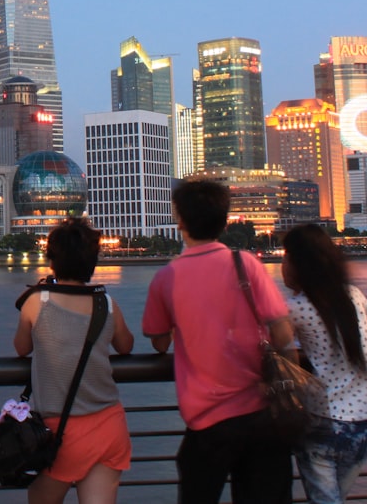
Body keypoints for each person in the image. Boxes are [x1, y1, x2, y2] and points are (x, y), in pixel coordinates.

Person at [141, 179, 296, 504]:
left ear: (179, 220)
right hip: (262, 417)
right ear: (224, 221)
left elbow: (157, 343)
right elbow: (282, 333)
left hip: (207, 424)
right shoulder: (247, 265)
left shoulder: (167, 278)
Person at [13, 218, 135, 504]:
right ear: (92, 262)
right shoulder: (106, 304)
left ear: (52, 261)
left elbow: (21, 348)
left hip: (61, 431)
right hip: (108, 425)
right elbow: (126, 346)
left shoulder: (37, 301)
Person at [280, 224, 367, 504]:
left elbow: (277, 350)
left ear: (299, 263)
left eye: (286, 255)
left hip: (322, 424)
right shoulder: (352, 295)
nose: (282, 262)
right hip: (360, 428)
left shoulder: (296, 308)